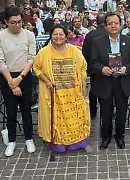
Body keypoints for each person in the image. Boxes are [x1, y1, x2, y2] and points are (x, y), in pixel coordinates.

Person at [34, 24, 93, 154]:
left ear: (66, 37)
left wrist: (84, 85)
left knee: (76, 118)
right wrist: (47, 80)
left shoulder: (74, 51)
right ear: (51, 36)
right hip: (54, 93)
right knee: (55, 119)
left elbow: (83, 67)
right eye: (55, 34)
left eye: (61, 34)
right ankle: (57, 144)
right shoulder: (44, 52)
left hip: (73, 93)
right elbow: (36, 68)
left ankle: (81, 143)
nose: (58, 37)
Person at [89, 13, 130, 149]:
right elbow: (92, 62)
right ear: (105, 26)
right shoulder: (97, 42)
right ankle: (106, 137)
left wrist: (126, 68)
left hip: (123, 81)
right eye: (110, 23)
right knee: (106, 111)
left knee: (122, 111)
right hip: (105, 81)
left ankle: (120, 136)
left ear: (121, 25)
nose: (113, 26)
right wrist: (102, 68)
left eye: (116, 23)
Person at [0, 6, 38, 157]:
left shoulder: (29, 35)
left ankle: (29, 138)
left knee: (26, 109)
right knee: (11, 110)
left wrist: (19, 78)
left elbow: (32, 58)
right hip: (7, 76)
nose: (17, 25)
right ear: (6, 22)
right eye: (13, 22)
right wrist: (11, 81)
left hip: (24, 75)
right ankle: (11, 140)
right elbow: (0, 60)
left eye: (19, 22)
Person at [83, 14, 107, 118]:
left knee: (94, 89)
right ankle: (107, 109)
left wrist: (89, 66)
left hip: (94, 66)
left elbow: (85, 52)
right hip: (108, 66)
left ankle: (92, 110)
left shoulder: (90, 35)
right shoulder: (109, 33)